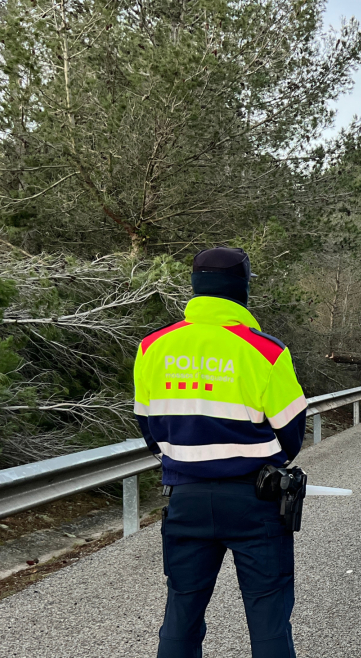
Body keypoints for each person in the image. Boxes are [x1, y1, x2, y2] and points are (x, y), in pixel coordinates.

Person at [133, 247, 307, 658]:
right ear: (243, 289)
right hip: (256, 500)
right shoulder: (265, 351)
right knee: (268, 617)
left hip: (185, 499)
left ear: (195, 288)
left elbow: (149, 428)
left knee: (182, 612)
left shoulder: (153, 347)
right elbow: (291, 436)